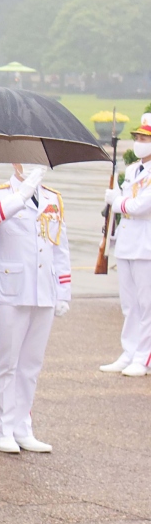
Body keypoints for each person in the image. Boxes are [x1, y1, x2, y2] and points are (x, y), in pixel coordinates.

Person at [0, 165, 69, 452]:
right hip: (9, 291)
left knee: (30, 365)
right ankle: (2, 428)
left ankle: (22, 426)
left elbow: (59, 247)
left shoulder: (53, 198)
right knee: (6, 363)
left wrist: (63, 289)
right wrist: (23, 194)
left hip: (43, 290)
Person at [103, 116, 151, 376]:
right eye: (137, 138)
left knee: (147, 305)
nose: (138, 142)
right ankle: (129, 352)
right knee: (129, 304)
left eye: (144, 138)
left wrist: (117, 200)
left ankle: (144, 357)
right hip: (127, 241)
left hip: (147, 246)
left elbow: (139, 207)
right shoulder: (134, 170)